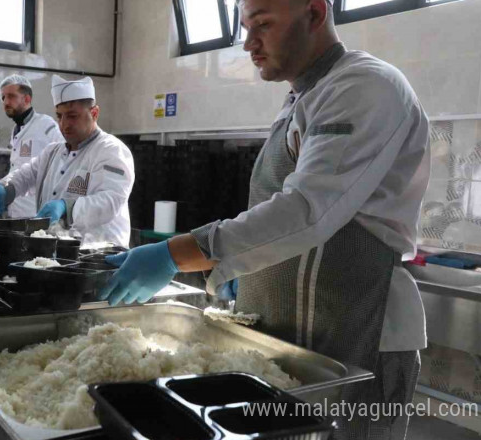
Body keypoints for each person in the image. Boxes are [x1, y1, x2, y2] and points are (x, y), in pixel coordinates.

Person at [100, 1, 430, 439]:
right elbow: (281, 213)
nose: (249, 43)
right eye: (245, 27)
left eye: (263, 25)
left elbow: (307, 211)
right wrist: (251, 272)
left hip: (359, 335)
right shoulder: (304, 97)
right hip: (302, 335)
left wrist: (180, 252)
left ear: (314, 13)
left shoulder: (366, 86)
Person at [0, 75, 135, 246]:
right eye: (59, 116)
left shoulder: (111, 150)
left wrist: (67, 207)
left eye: (72, 116)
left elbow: (110, 201)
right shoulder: (52, 152)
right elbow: (25, 175)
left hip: (100, 255)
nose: (64, 124)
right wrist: (6, 188)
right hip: (62, 256)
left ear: (94, 113)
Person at [0, 74, 64, 218]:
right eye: (3, 97)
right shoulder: (16, 130)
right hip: (16, 212)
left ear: (27, 98)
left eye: (11, 96)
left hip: (37, 213)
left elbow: (63, 160)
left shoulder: (46, 125)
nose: (6, 102)